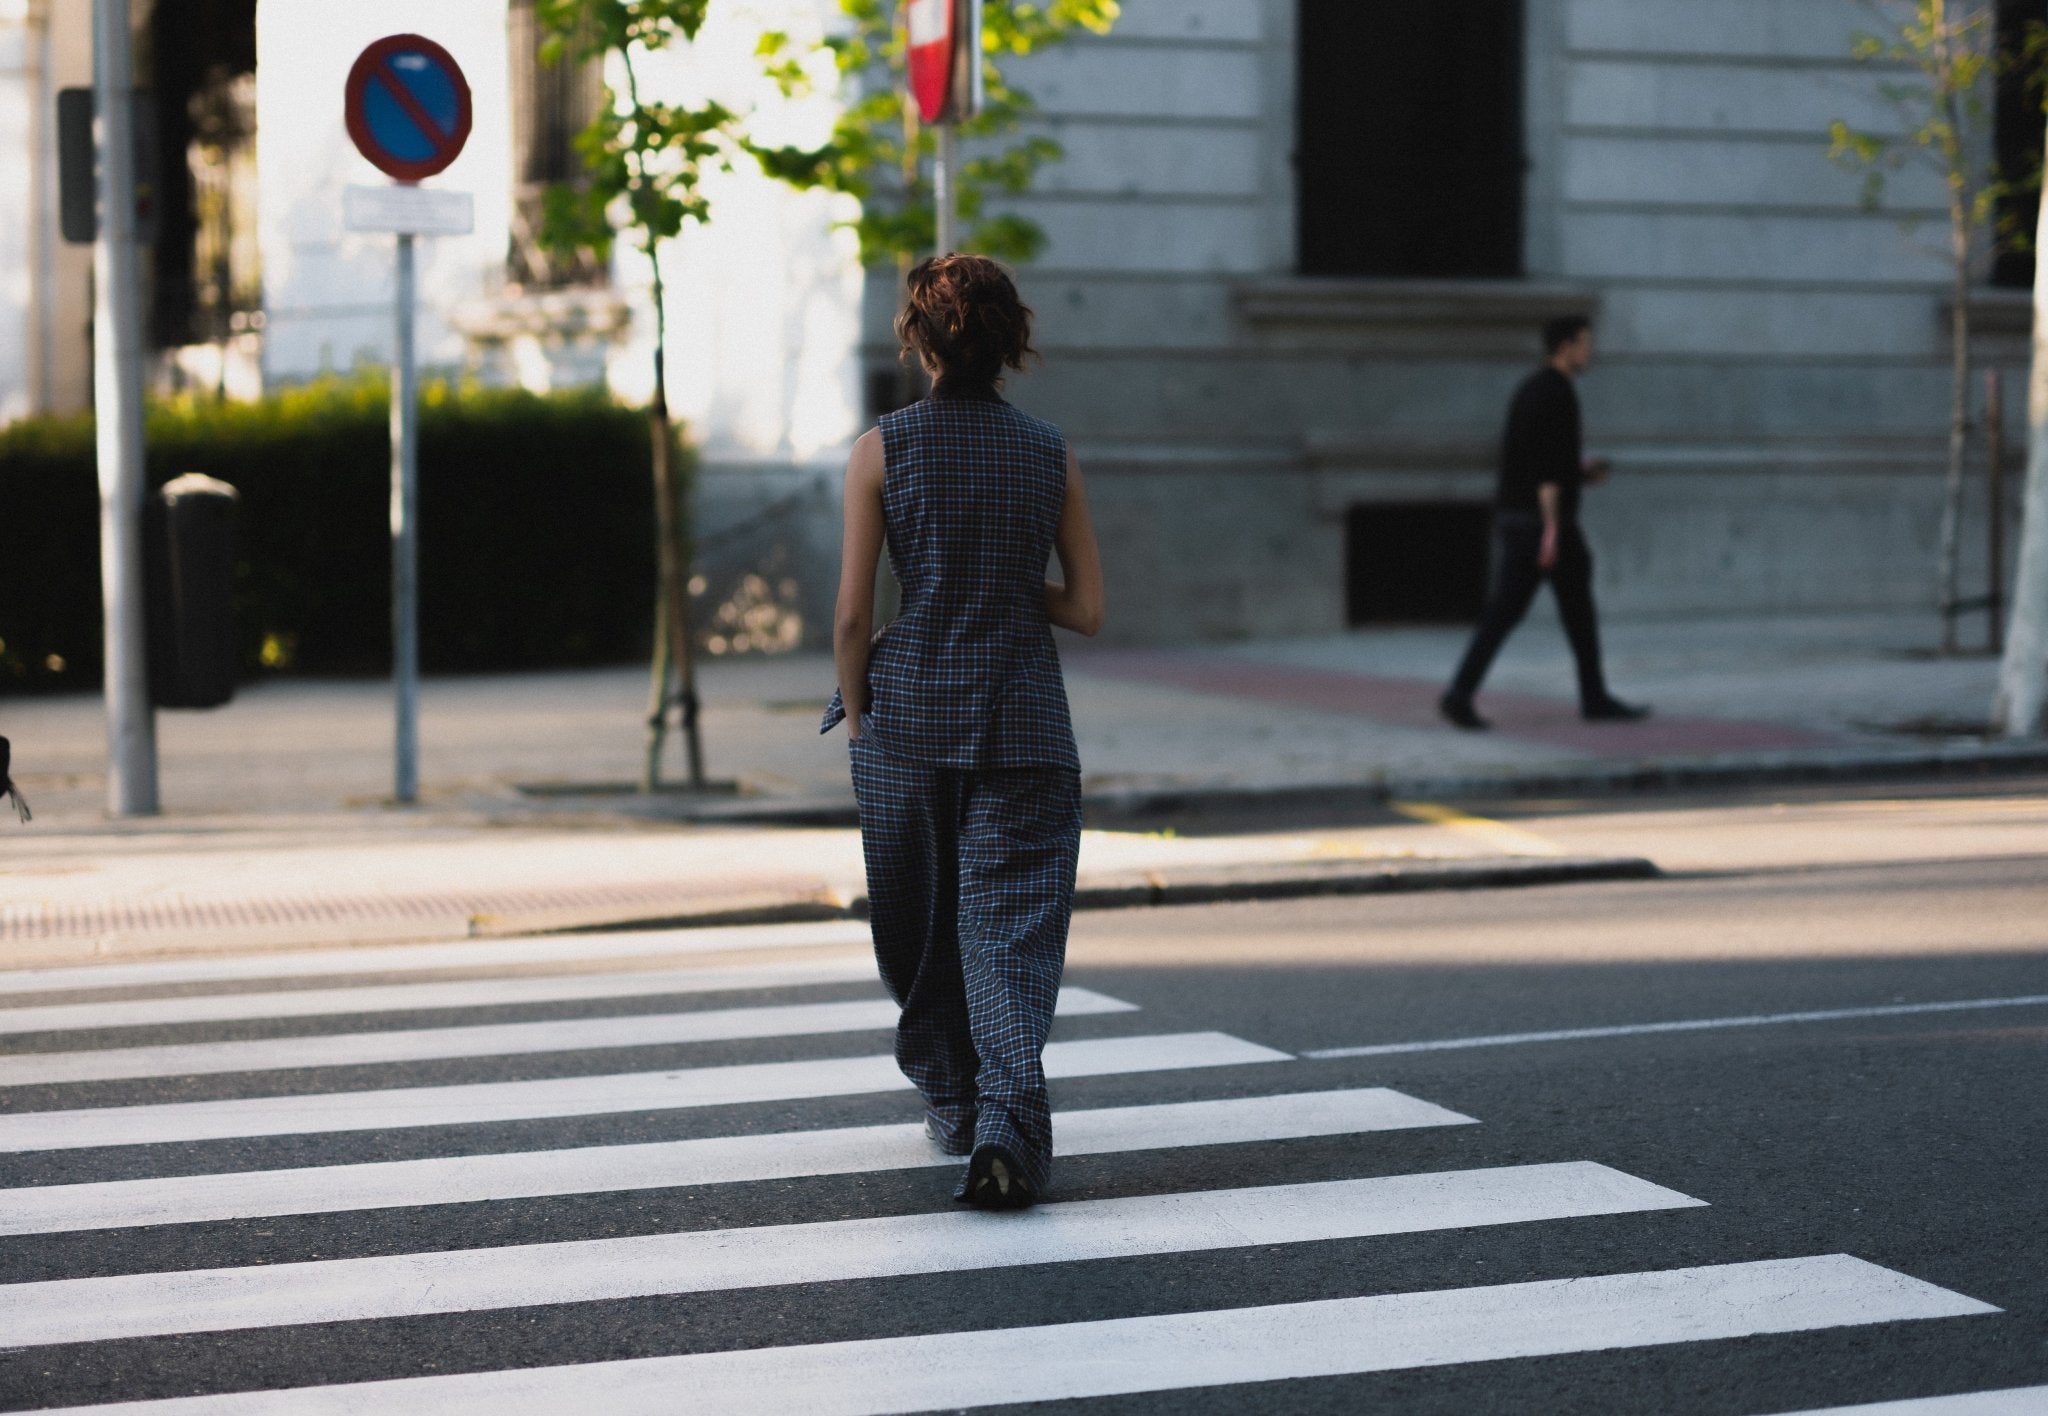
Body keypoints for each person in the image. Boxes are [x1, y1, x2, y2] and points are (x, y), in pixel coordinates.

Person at [823, 253, 1105, 1211]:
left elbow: (854, 617)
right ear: (1008, 342)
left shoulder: (881, 450)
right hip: (1025, 726)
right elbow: (1089, 609)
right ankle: (1004, 1123)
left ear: (920, 340)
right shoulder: (1050, 451)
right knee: (1010, 938)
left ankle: (958, 1102)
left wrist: (857, 722)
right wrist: (999, 577)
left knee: (917, 935)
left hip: (905, 728)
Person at [1440, 315, 1648, 731]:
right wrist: (1552, 530)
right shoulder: (1556, 394)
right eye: (1585, 343)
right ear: (1565, 347)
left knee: (1532, 612)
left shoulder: (1533, 390)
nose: (1591, 351)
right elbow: (1545, 472)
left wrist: (1581, 472)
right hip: (1543, 525)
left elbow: (1543, 459)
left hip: (1526, 520)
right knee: (1551, 613)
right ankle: (1589, 698)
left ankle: (1464, 694)